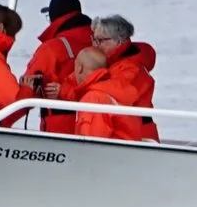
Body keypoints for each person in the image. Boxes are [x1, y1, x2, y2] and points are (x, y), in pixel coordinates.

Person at [67, 13, 159, 142]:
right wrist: (61, 89)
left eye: (101, 40)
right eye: (94, 40)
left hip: (140, 137)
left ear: (119, 41)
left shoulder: (131, 69)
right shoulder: (111, 63)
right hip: (125, 133)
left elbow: (105, 91)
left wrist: (66, 90)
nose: (96, 45)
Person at [21, 0, 91, 134]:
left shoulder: (52, 48)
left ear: (54, 17)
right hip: (94, 123)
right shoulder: (101, 42)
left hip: (60, 127)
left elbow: (27, 88)